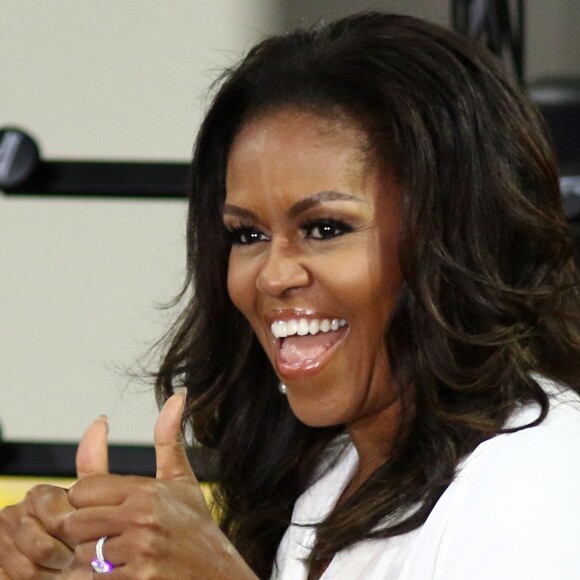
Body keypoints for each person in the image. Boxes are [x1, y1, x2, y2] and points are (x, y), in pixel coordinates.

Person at [2, 10, 580, 579]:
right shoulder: (332, 477)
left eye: (325, 228)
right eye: (247, 234)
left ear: (459, 237)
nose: (272, 275)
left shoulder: (538, 472)